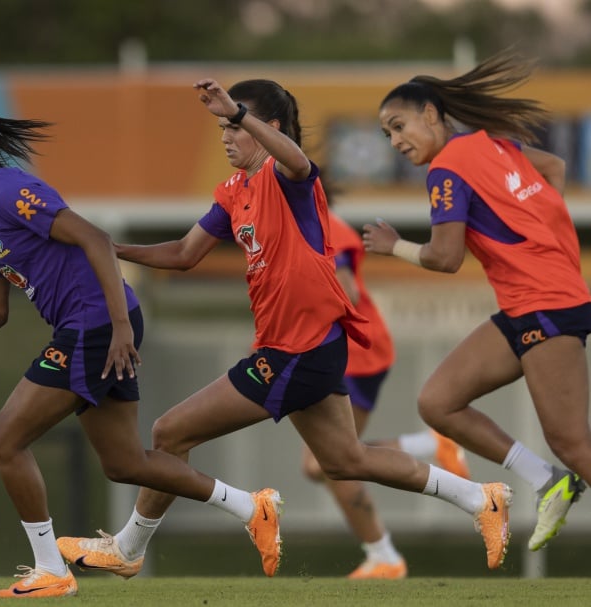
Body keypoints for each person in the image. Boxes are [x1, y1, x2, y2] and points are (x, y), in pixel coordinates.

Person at [57, 78, 513, 578]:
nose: (226, 137)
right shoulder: (233, 192)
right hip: (299, 349)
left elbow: (298, 160)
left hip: (298, 349)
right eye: (221, 128)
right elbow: (184, 254)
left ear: (267, 127)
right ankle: (479, 498)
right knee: (345, 461)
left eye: (234, 126)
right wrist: (108, 248)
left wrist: (237, 113)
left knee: (169, 432)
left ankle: (130, 548)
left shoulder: (288, 177)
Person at [0, 98, 282, 598]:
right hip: (97, 325)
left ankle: (50, 569)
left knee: (3, 442)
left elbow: (95, 238)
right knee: (124, 464)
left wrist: (119, 325)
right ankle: (253, 509)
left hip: (94, 324)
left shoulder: (6, 189)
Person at [362, 48, 588, 553]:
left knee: (575, 442)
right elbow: (553, 167)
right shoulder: (495, 146)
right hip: (530, 303)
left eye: (400, 126)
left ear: (430, 114)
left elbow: (445, 258)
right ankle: (549, 479)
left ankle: (558, 471)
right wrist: (543, 237)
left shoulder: (446, 170)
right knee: (438, 402)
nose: (396, 141)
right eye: (387, 135)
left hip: (544, 304)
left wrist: (392, 245)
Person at [297, 208, 471, 579]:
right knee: (325, 464)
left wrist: (295, 327)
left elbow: (347, 291)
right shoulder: (291, 219)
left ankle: (385, 555)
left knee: (326, 463)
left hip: (352, 354)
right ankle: (385, 551)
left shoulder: (320, 222)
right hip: (344, 353)